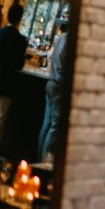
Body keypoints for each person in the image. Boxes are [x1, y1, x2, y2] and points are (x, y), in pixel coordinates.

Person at [0, 3, 28, 169]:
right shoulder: (20, 40)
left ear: (7, 16)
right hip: (7, 84)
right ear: (20, 18)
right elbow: (19, 65)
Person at [37, 18, 70, 164]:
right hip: (59, 84)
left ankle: (39, 159)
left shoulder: (59, 38)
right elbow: (65, 64)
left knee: (46, 125)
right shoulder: (70, 40)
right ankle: (45, 163)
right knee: (55, 126)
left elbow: (52, 57)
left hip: (50, 82)